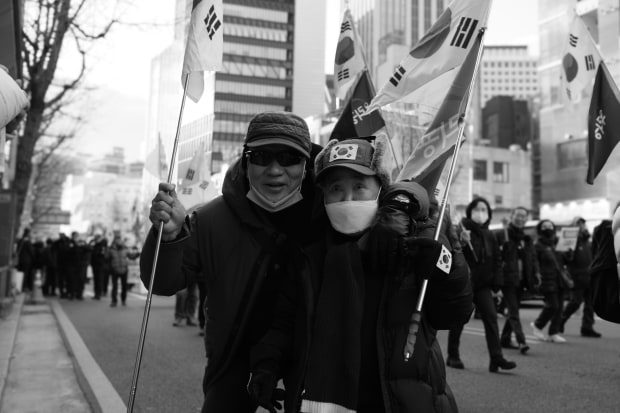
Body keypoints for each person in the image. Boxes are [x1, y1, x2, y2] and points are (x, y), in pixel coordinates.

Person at [248, 137, 473, 413]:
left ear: (381, 190)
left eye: (359, 187)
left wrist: (445, 269)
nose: (348, 199)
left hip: (402, 402)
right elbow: (284, 323)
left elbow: (454, 314)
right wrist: (266, 366)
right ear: (323, 196)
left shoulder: (412, 244)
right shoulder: (308, 257)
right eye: (336, 189)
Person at [140, 111, 322, 412]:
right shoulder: (210, 219)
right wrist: (169, 238)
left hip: (313, 365)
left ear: (305, 164)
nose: (275, 170)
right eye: (262, 157)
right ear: (246, 161)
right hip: (232, 363)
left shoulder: (326, 214)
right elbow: (162, 283)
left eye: (289, 158)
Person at [447, 197, 516, 372]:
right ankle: (453, 355)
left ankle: (496, 358)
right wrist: (462, 242)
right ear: (470, 211)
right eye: (477, 209)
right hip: (465, 283)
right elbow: (453, 253)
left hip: (483, 285)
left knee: (491, 318)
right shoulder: (460, 230)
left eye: (484, 209)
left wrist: (497, 284)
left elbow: (497, 260)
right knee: (459, 319)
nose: (481, 213)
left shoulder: (489, 234)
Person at [497, 206, 539, 354]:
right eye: (518, 215)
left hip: (522, 280)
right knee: (513, 310)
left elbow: (532, 258)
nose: (520, 218)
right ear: (512, 216)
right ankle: (522, 341)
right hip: (507, 279)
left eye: (523, 216)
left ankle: (505, 339)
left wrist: (536, 274)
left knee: (513, 310)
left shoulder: (526, 238)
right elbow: (497, 257)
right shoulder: (503, 234)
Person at [560, 217, 601, 337]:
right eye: (578, 223)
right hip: (576, 276)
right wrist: (568, 254)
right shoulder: (570, 239)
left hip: (589, 276)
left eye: (582, 223)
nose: (581, 226)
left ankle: (587, 327)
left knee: (590, 304)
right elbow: (564, 258)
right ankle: (560, 320)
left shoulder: (588, 240)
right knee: (576, 302)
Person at [531, 219, 569, 343]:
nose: (548, 228)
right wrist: (537, 277)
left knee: (559, 307)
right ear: (540, 229)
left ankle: (554, 332)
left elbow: (566, 260)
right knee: (553, 305)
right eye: (544, 226)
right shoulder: (537, 245)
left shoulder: (558, 243)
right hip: (547, 279)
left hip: (560, 279)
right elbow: (534, 263)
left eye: (550, 226)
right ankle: (537, 325)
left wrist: (569, 252)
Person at [107, 232, 137, 307]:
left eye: (119, 239)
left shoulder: (125, 248)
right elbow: (106, 258)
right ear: (114, 240)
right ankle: (114, 301)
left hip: (124, 269)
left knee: (124, 286)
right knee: (115, 286)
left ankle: (123, 300)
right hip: (114, 270)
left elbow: (131, 256)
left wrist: (137, 254)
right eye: (117, 239)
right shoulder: (111, 249)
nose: (119, 241)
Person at [89, 233, 108, 300]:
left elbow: (102, 254)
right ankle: (96, 293)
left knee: (99, 280)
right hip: (95, 264)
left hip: (100, 265)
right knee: (96, 280)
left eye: (97, 238)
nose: (96, 239)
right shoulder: (94, 244)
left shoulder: (103, 245)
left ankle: (99, 294)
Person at [16, 228, 35, 293]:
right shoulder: (27, 241)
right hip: (26, 261)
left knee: (20, 273)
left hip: (20, 260)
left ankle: (19, 286)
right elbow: (31, 251)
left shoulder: (20, 240)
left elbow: (17, 250)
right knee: (25, 274)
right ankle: (23, 287)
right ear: (28, 233)